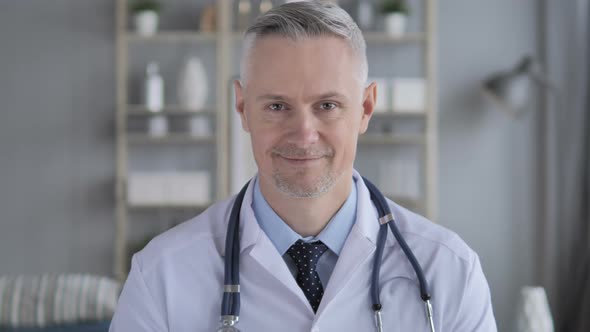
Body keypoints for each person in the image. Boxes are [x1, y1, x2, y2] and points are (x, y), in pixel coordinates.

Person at [109, 1, 497, 331]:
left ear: (365, 108)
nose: (303, 134)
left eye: (327, 106)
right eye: (277, 106)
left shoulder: (449, 271)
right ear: (242, 108)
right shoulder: (161, 276)